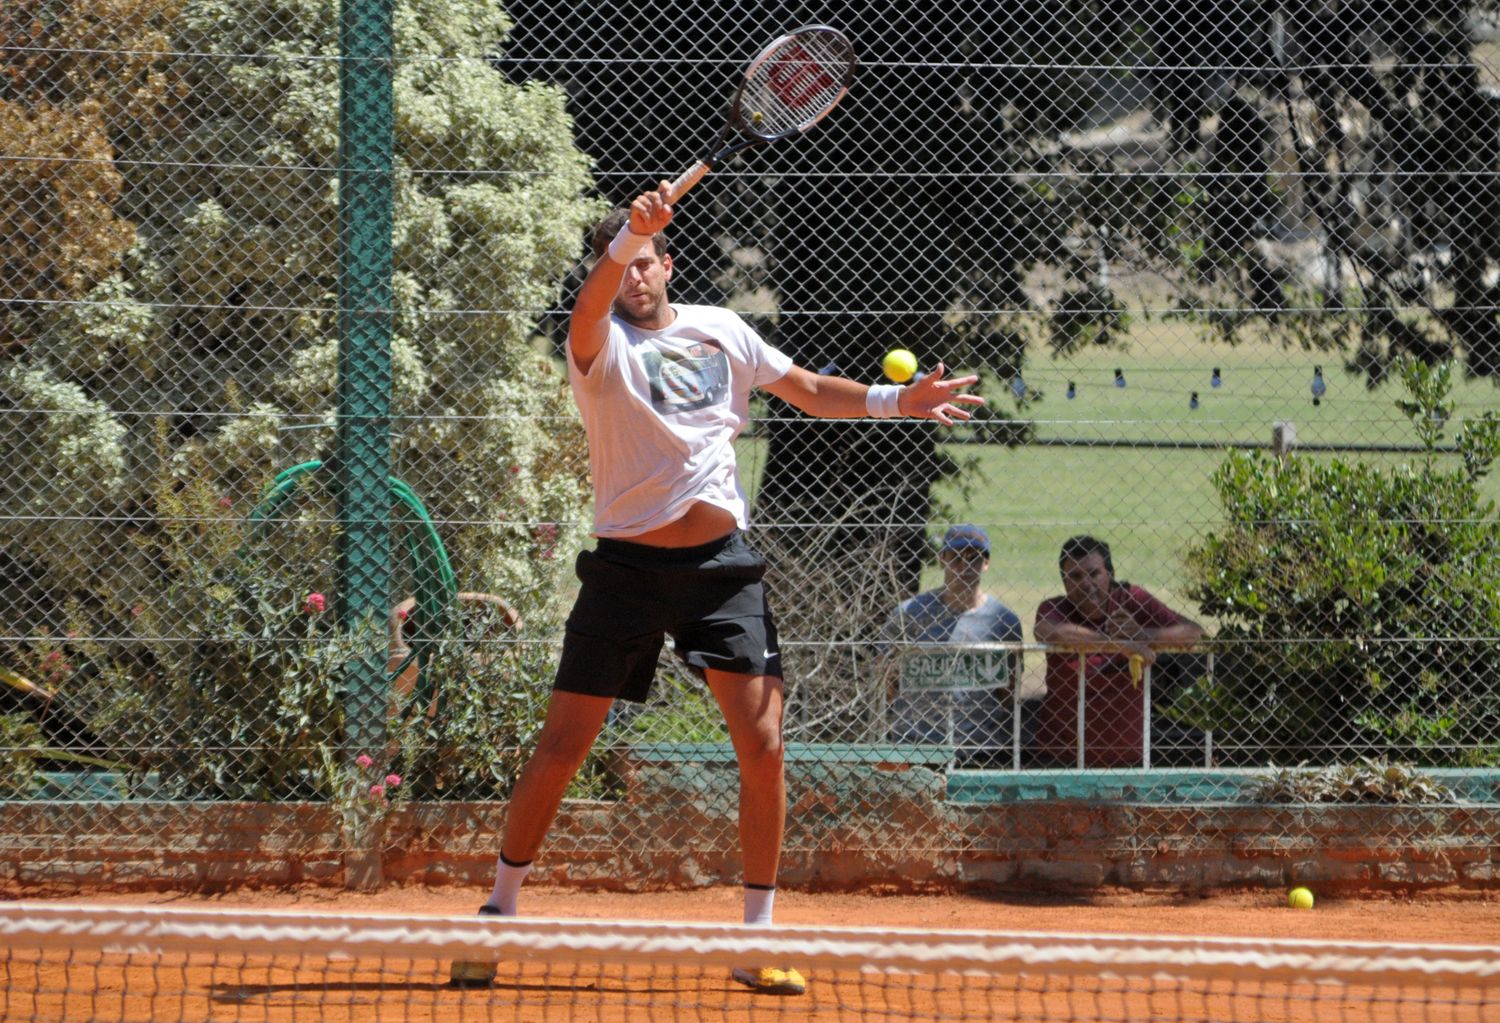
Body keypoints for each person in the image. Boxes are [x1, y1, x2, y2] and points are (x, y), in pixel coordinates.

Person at [449, 184, 984, 995]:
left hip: (721, 569)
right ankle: (498, 911)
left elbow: (804, 389)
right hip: (625, 572)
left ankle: (756, 935)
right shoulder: (599, 346)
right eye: (620, 261)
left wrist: (896, 401)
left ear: (671, 264)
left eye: (647, 259)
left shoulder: (722, 330)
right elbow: (591, 302)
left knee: (765, 743)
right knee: (563, 745)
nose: (633, 273)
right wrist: (625, 234)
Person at [1031, 535, 1205, 768]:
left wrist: (1142, 635)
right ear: (1064, 582)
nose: (1085, 584)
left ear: (1110, 575)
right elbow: (1046, 630)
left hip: (1128, 760)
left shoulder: (1131, 599)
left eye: (1093, 574)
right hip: (1061, 758)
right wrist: (1116, 644)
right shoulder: (1055, 608)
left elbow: (1194, 633)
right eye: (1075, 577)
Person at [880, 525, 1024, 766]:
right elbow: (886, 681)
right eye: (956, 558)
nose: (965, 567)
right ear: (942, 561)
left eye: (974, 558)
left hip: (978, 748)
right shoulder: (909, 615)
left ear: (986, 563)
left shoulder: (1003, 621)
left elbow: (1008, 691)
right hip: (916, 744)